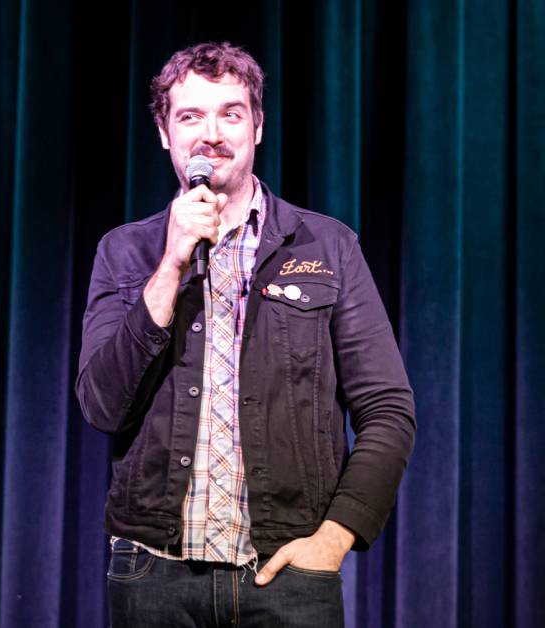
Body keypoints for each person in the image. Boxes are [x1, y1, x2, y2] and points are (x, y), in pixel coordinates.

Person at [75, 42, 415, 628]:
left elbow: (388, 408)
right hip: (153, 576)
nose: (211, 134)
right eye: (190, 116)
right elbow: (101, 405)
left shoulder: (326, 245)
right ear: (164, 133)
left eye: (230, 113)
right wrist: (171, 265)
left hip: (288, 577)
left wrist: (333, 540)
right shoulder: (125, 251)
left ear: (257, 125)